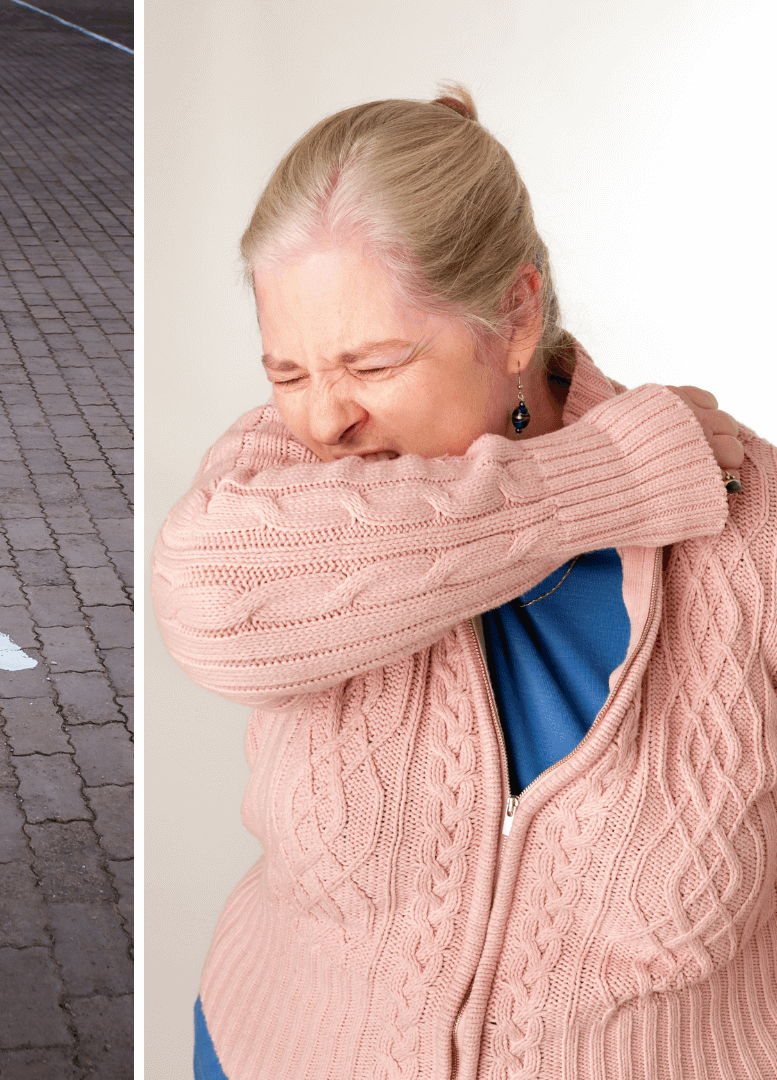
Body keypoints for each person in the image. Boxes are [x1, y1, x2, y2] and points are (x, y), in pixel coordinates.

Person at [152, 85, 768, 1080]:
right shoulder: (287, 475)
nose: (323, 420)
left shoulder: (741, 515)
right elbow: (208, 603)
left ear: (515, 318)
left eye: (371, 363)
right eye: (288, 372)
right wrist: (605, 478)